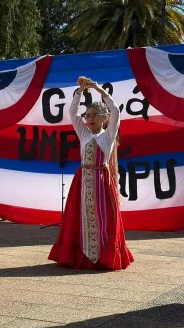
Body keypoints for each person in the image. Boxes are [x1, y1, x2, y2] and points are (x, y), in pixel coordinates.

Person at [48, 78, 133, 270]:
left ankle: (102, 256)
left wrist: (98, 89)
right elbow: (72, 113)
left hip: (101, 180)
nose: (90, 118)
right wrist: (79, 92)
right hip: (83, 180)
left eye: (95, 115)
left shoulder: (108, 135)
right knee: (79, 217)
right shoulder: (84, 134)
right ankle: (81, 255)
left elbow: (116, 111)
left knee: (103, 218)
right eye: (88, 115)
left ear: (105, 118)